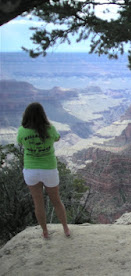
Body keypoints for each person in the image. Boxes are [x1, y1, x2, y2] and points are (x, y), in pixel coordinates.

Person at [17, 102, 70, 239]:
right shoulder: (49, 128)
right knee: (56, 201)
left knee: (38, 202)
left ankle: (45, 231)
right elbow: (57, 138)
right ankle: (65, 229)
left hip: (31, 170)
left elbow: (20, 142)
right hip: (49, 169)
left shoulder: (22, 130)